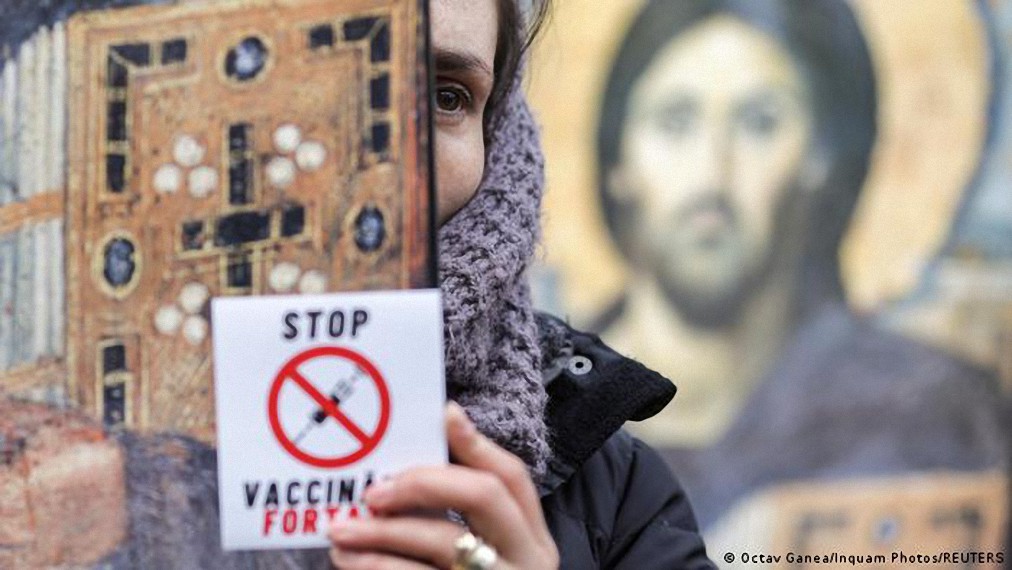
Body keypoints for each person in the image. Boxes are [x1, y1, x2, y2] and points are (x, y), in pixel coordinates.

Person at [0, 0, 716, 568]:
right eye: (324, 73)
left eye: (444, 95)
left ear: (498, 136)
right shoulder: (32, 455)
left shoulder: (612, 493)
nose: (381, 151)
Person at [593, 0, 1006, 535]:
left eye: (760, 123)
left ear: (822, 159)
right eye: (675, 121)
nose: (712, 176)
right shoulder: (552, 401)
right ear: (618, 162)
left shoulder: (933, 409)